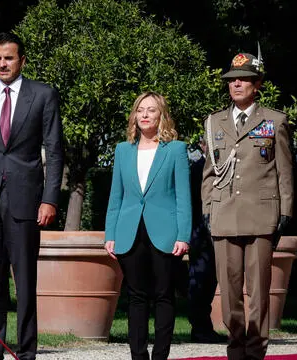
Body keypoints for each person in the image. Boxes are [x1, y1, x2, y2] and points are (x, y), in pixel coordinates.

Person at [0, 32, 63, 360]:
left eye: (8, 57)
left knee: (25, 280)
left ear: (22, 60)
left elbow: (55, 150)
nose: (2, 63)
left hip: (27, 201)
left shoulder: (43, 95)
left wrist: (50, 199)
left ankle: (27, 351)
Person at [201, 52, 293, 360]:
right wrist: (207, 207)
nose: (235, 83)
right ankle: (235, 349)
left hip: (261, 214)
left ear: (257, 84)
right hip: (224, 213)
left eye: (242, 79)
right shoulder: (213, 121)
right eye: (231, 80)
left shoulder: (274, 121)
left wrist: (285, 210)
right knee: (229, 291)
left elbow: (284, 169)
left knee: (258, 291)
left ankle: (255, 352)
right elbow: (210, 171)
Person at [104, 91, 192, 360]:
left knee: (164, 295)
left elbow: (183, 196)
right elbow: (116, 196)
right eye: (140, 110)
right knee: (136, 297)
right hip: (129, 232)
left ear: (161, 115)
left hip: (165, 232)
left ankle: (160, 356)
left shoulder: (176, 149)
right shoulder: (122, 150)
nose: (144, 115)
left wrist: (184, 235)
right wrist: (110, 234)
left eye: (151, 110)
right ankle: (138, 355)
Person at [187, 137, 227, 344]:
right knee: (201, 282)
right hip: (201, 233)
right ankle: (200, 329)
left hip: (220, 231)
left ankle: (203, 328)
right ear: (202, 146)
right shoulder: (197, 169)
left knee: (210, 281)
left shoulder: (223, 166)